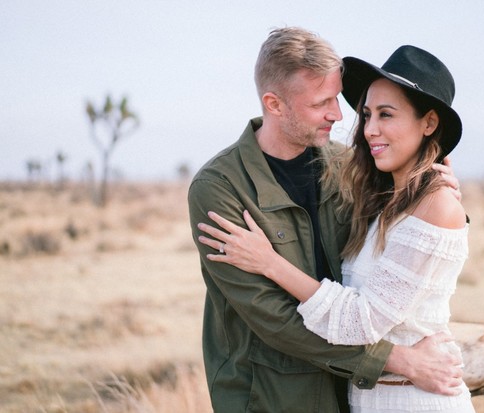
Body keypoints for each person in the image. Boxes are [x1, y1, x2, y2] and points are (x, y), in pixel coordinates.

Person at [188, 27, 464, 413]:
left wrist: (441, 183)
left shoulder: (348, 166)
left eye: (337, 97)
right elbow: (272, 318)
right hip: (272, 397)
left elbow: (418, 223)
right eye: (322, 102)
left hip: (353, 395)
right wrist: (396, 360)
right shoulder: (220, 188)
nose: (339, 114)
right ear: (275, 103)